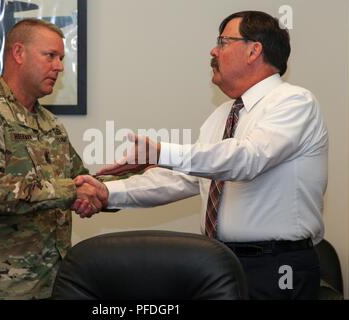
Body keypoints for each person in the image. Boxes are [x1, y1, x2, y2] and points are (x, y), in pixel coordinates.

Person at [74, 11, 328, 300]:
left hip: (277, 266)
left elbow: (246, 159)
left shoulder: (294, 102)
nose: (213, 50)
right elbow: (182, 178)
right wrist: (107, 192)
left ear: (254, 49)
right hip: (218, 262)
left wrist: (162, 151)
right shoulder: (222, 115)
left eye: (223, 41)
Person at [0, 18, 105, 300]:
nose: (59, 67)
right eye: (50, 56)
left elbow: (82, 179)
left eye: (61, 58)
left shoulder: (49, 123)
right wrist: (72, 191)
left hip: (53, 281)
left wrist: (130, 178)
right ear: (18, 53)